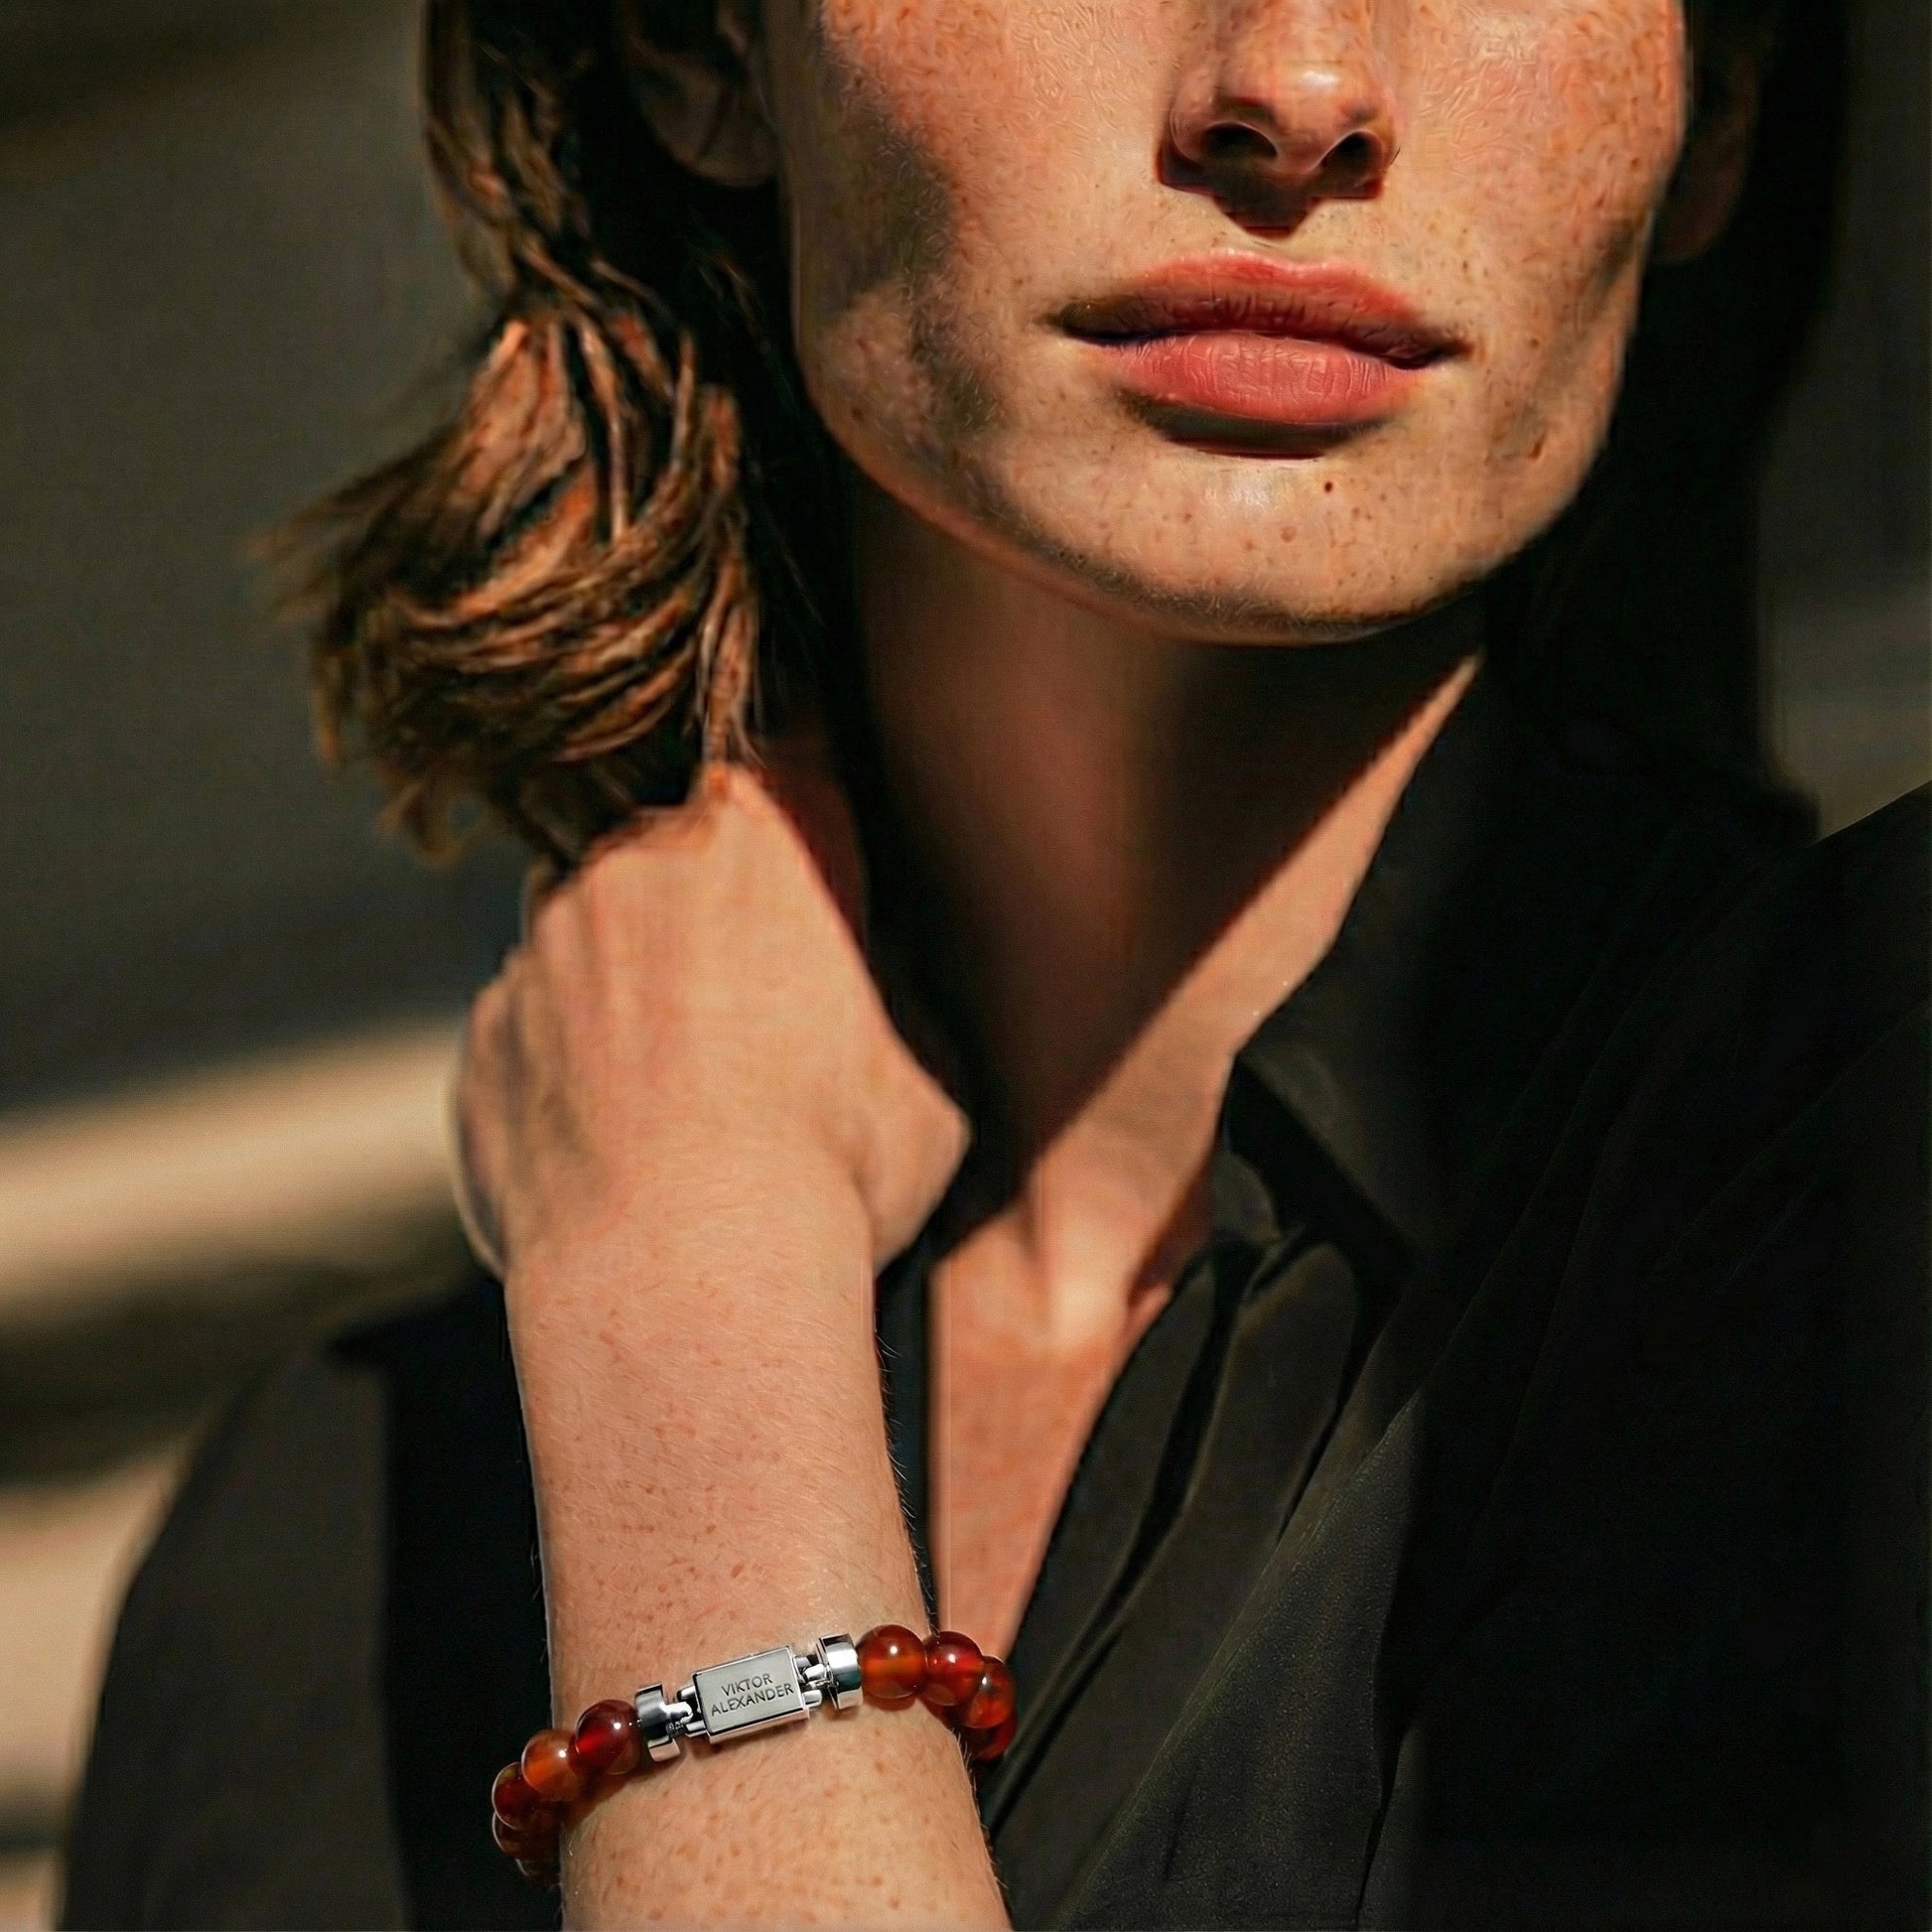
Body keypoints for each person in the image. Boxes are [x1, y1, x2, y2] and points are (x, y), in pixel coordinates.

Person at [65, 0, 1926, 1925]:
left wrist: (690, 1336)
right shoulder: (313, 1559)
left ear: (1717, 103)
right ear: (700, 47)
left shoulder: (1864, 1203)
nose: (1294, 87)